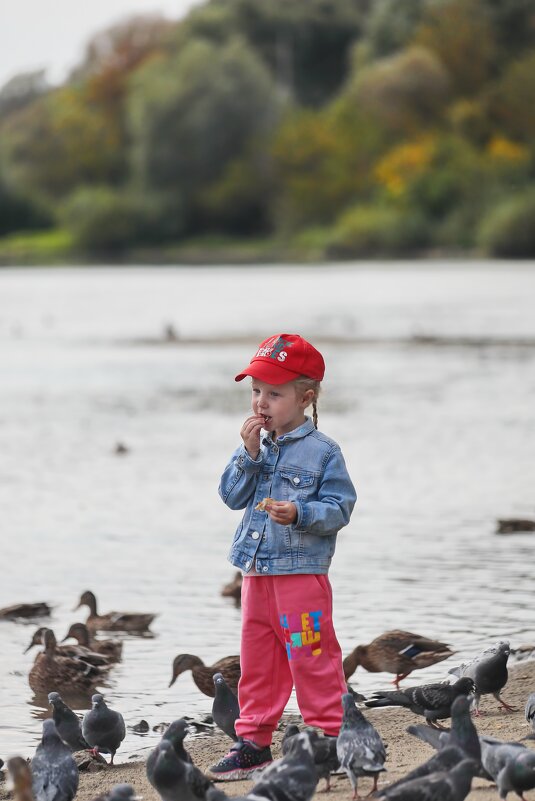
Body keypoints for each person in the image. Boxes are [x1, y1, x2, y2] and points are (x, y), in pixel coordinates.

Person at [207, 333, 357, 781]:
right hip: (256, 575)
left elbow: (340, 509)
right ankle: (253, 744)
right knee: (258, 662)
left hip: (301, 578)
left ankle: (330, 739)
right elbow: (231, 497)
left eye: (274, 393)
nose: (261, 403)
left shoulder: (324, 452)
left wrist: (300, 513)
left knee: (312, 656)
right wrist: (248, 455)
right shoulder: (256, 448)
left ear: (305, 398)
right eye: (256, 391)